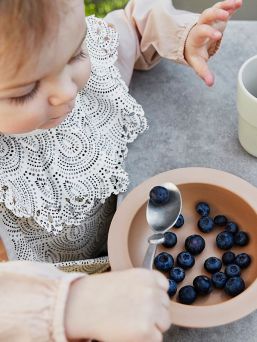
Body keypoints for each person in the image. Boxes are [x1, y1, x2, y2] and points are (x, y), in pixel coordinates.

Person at [0, 0, 242, 341]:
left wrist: (182, 35)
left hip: (128, 253)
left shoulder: (87, 64)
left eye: (75, 55)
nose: (68, 91)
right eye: (25, 92)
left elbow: (134, 28)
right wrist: (69, 306)